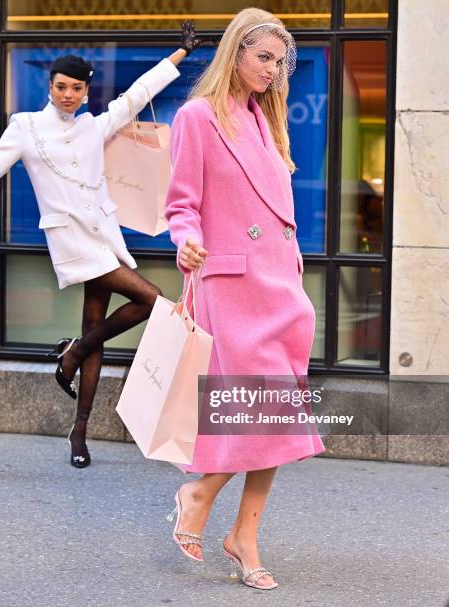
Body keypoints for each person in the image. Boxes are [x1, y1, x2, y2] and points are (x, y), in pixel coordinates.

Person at [0, 22, 201, 469]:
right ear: (50, 86)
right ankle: (73, 353)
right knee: (151, 299)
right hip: (71, 240)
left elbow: (136, 95)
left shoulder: (93, 127)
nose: (67, 94)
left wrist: (179, 54)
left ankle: (78, 431)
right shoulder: (24, 128)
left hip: (104, 235)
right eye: (61, 86)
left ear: (85, 91)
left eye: (76, 88)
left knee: (96, 329)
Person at [164, 8, 325, 590]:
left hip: (281, 284)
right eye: (263, 57)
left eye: (280, 62)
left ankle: (238, 530)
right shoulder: (197, 117)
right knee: (261, 411)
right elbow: (182, 202)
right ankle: (203, 494)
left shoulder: (266, 121)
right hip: (231, 285)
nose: (273, 70)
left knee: (275, 415)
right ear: (235, 52)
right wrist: (188, 241)